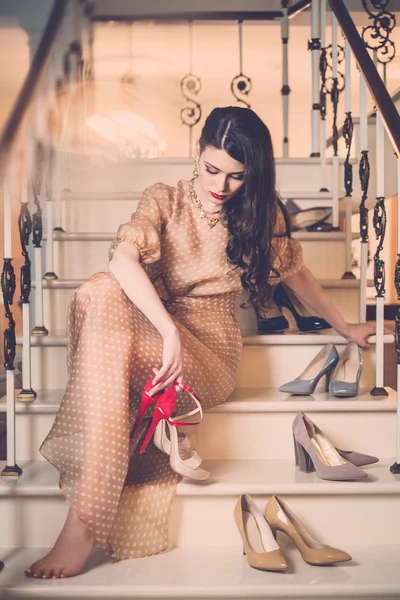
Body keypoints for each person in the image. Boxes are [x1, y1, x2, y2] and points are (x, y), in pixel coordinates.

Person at [25, 105, 378, 579]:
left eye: (237, 176)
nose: (221, 186)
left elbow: (297, 274)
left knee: (107, 315)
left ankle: (83, 522)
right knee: (99, 289)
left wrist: (347, 327)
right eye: (212, 169)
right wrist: (166, 328)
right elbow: (123, 261)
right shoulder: (164, 199)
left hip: (210, 352)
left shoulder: (258, 212)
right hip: (157, 333)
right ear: (197, 152)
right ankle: (98, 502)